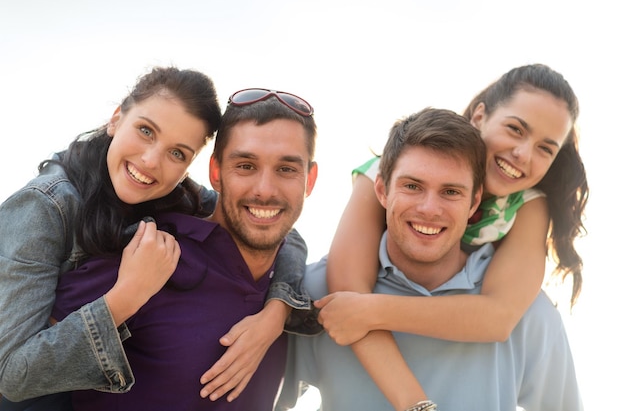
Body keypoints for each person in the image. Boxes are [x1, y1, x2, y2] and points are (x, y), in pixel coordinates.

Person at [0, 71, 312, 409]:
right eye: (145, 131)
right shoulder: (46, 205)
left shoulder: (174, 193)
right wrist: (128, 295)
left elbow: (274, 228)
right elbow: (12, 375)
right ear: (117, 118)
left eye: (177, 153)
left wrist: (276, 312)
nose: (151, 161)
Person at [317, 64, 588, 408]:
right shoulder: (398, 170)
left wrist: (374, 309)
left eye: (545, 148)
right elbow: (346, 296)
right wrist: (415, 403)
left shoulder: (528, 206)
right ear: (480, 116)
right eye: (515, 129)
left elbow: (497, 318)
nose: (523, 154)